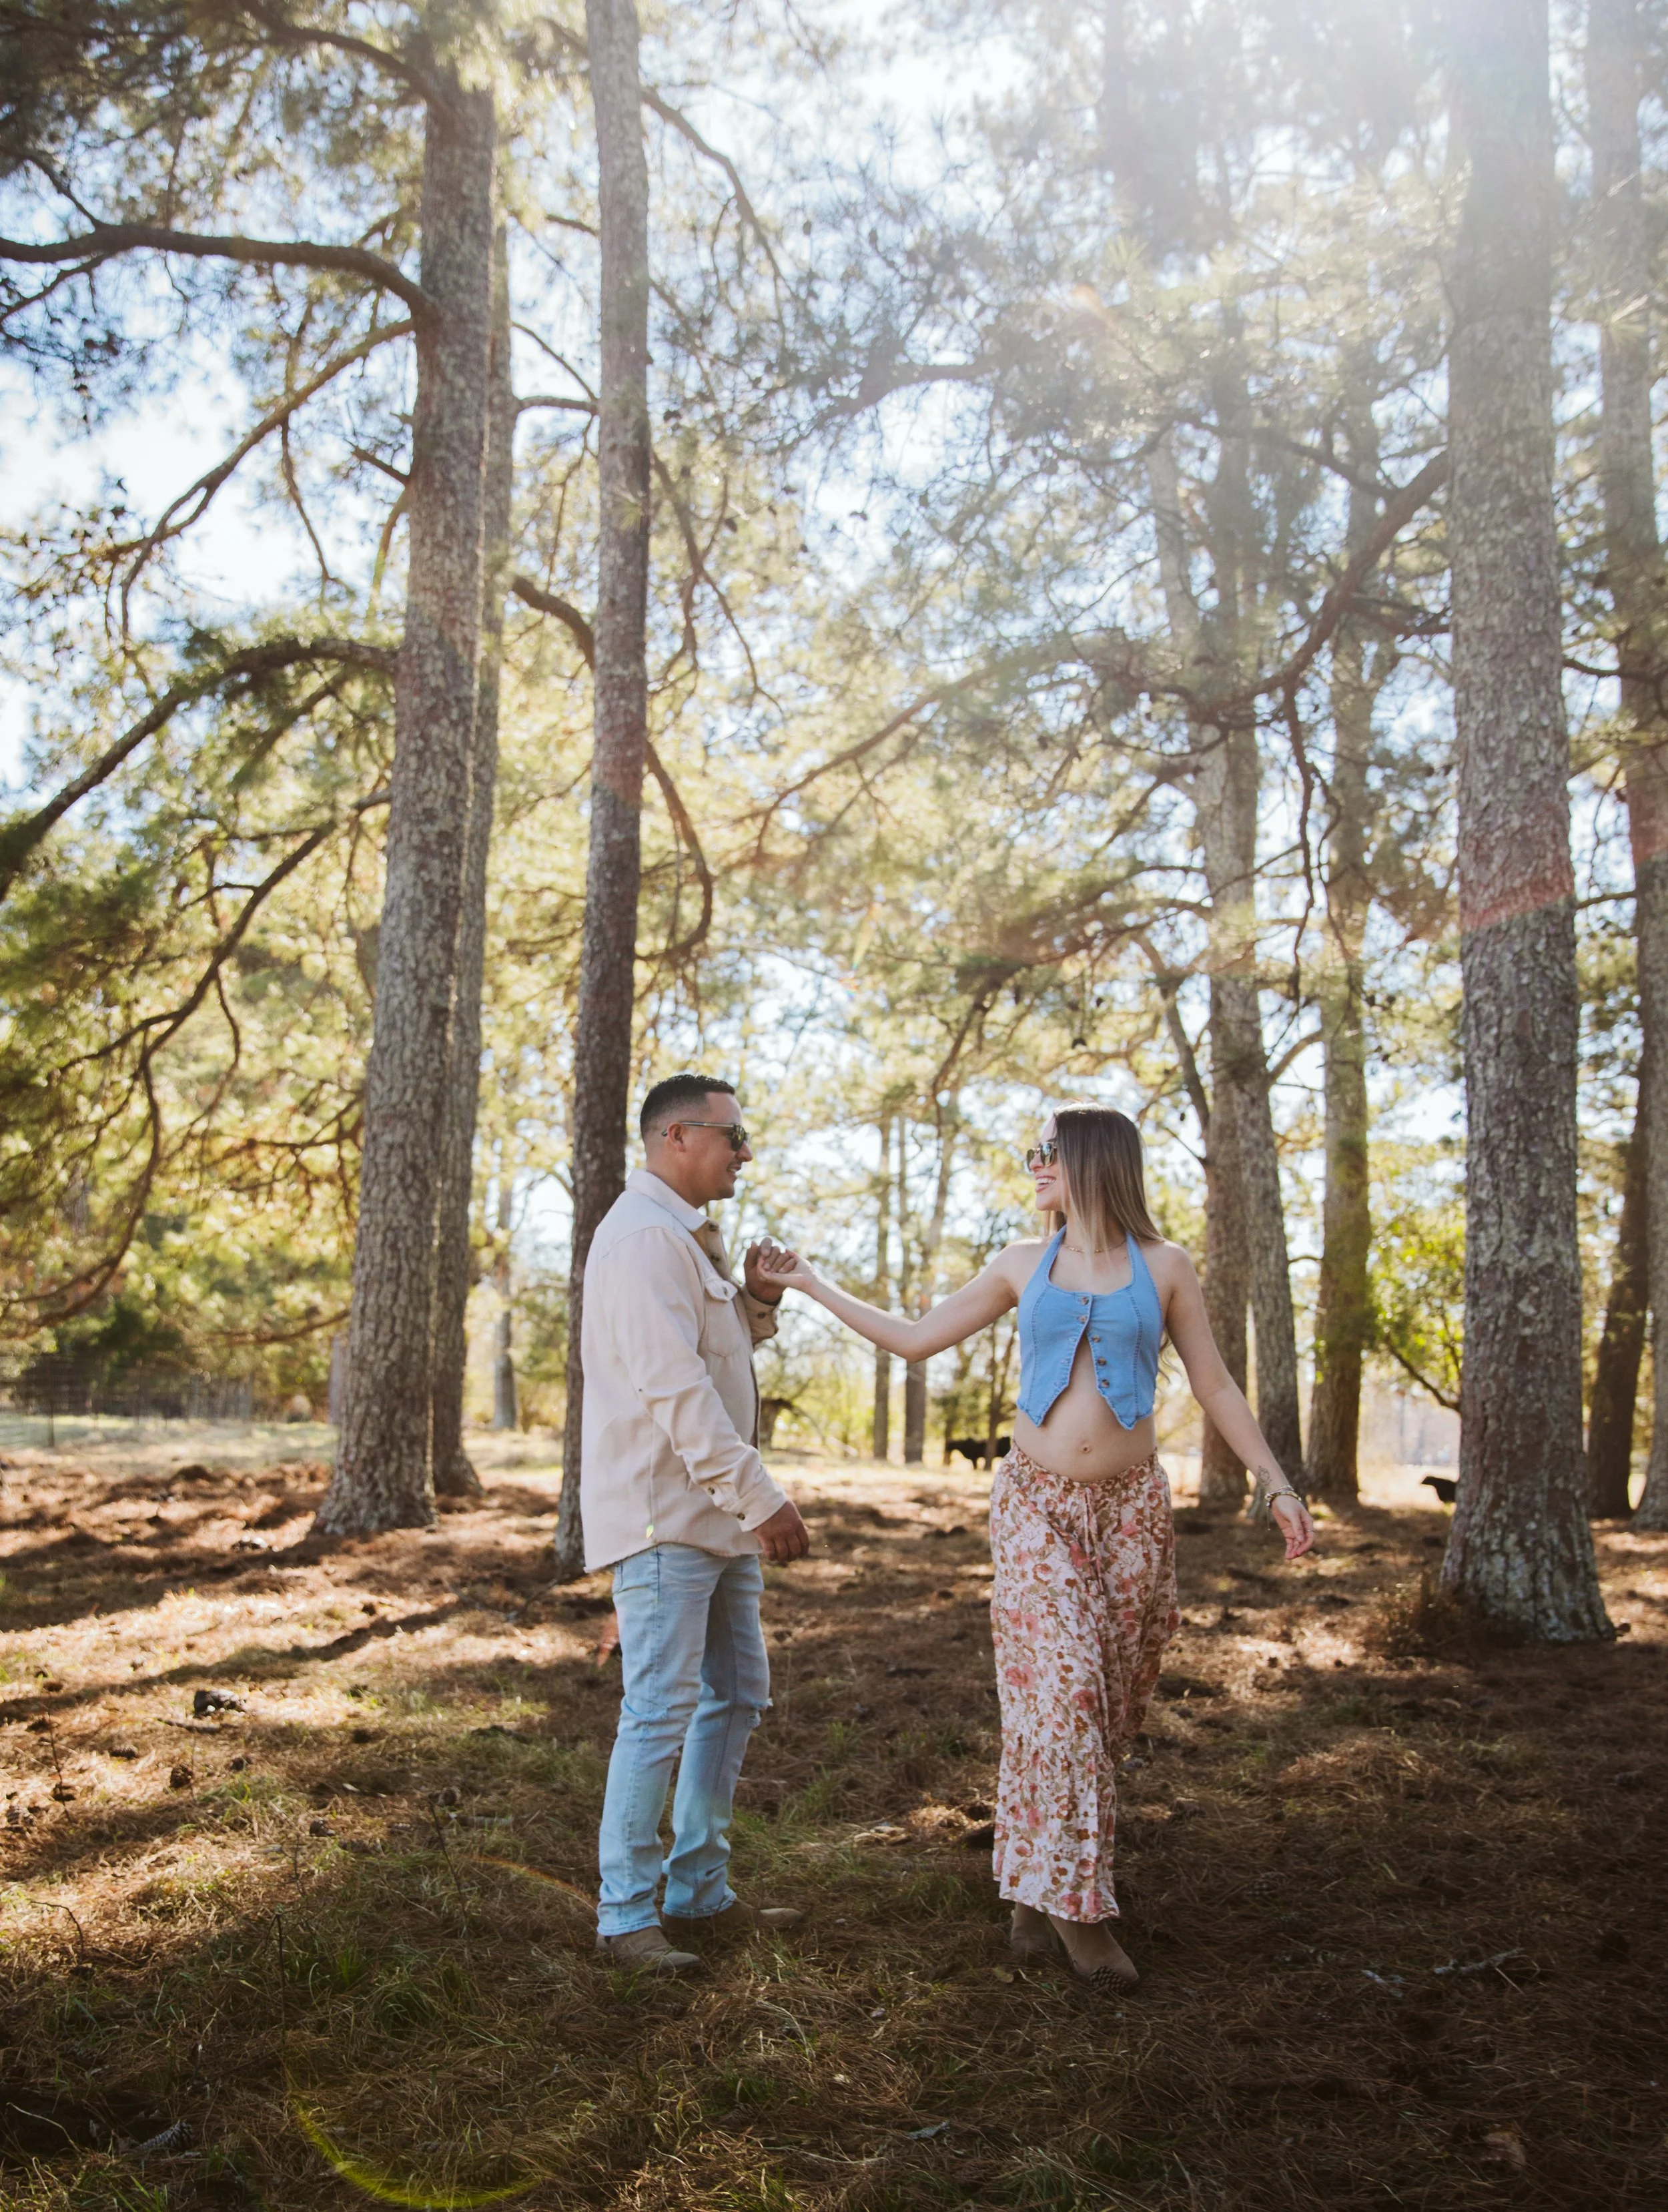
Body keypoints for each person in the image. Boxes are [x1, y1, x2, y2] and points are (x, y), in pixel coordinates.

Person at [757, 1100, 1314, 1995]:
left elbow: (1213, 1380)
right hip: (1036, 1509)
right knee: (1065, 1698)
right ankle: (1080, 1913)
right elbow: (913, 1337)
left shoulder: (1165, 1266)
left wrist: (1274, 1479)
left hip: (1133, 1512)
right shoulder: (1023, 1263)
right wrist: (814, 1282)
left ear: (1093, 1159)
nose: (1032, 1166)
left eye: (1044, 1153)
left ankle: (1030, 1881)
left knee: (1112, 1702)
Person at [582, 1073, 813, 1974]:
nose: (743, 1151)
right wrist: (764, 1498)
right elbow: (675, 1394)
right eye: (733, 1134)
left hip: (713, 1519)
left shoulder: (684, 1240)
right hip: (666, 1519)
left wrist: (755, 1302)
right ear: (678, 1135)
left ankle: (698, 1889)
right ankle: (626, 1916)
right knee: (659, 1711)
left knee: (737, 1694)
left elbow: (712, 1361)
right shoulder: (641, 1240)